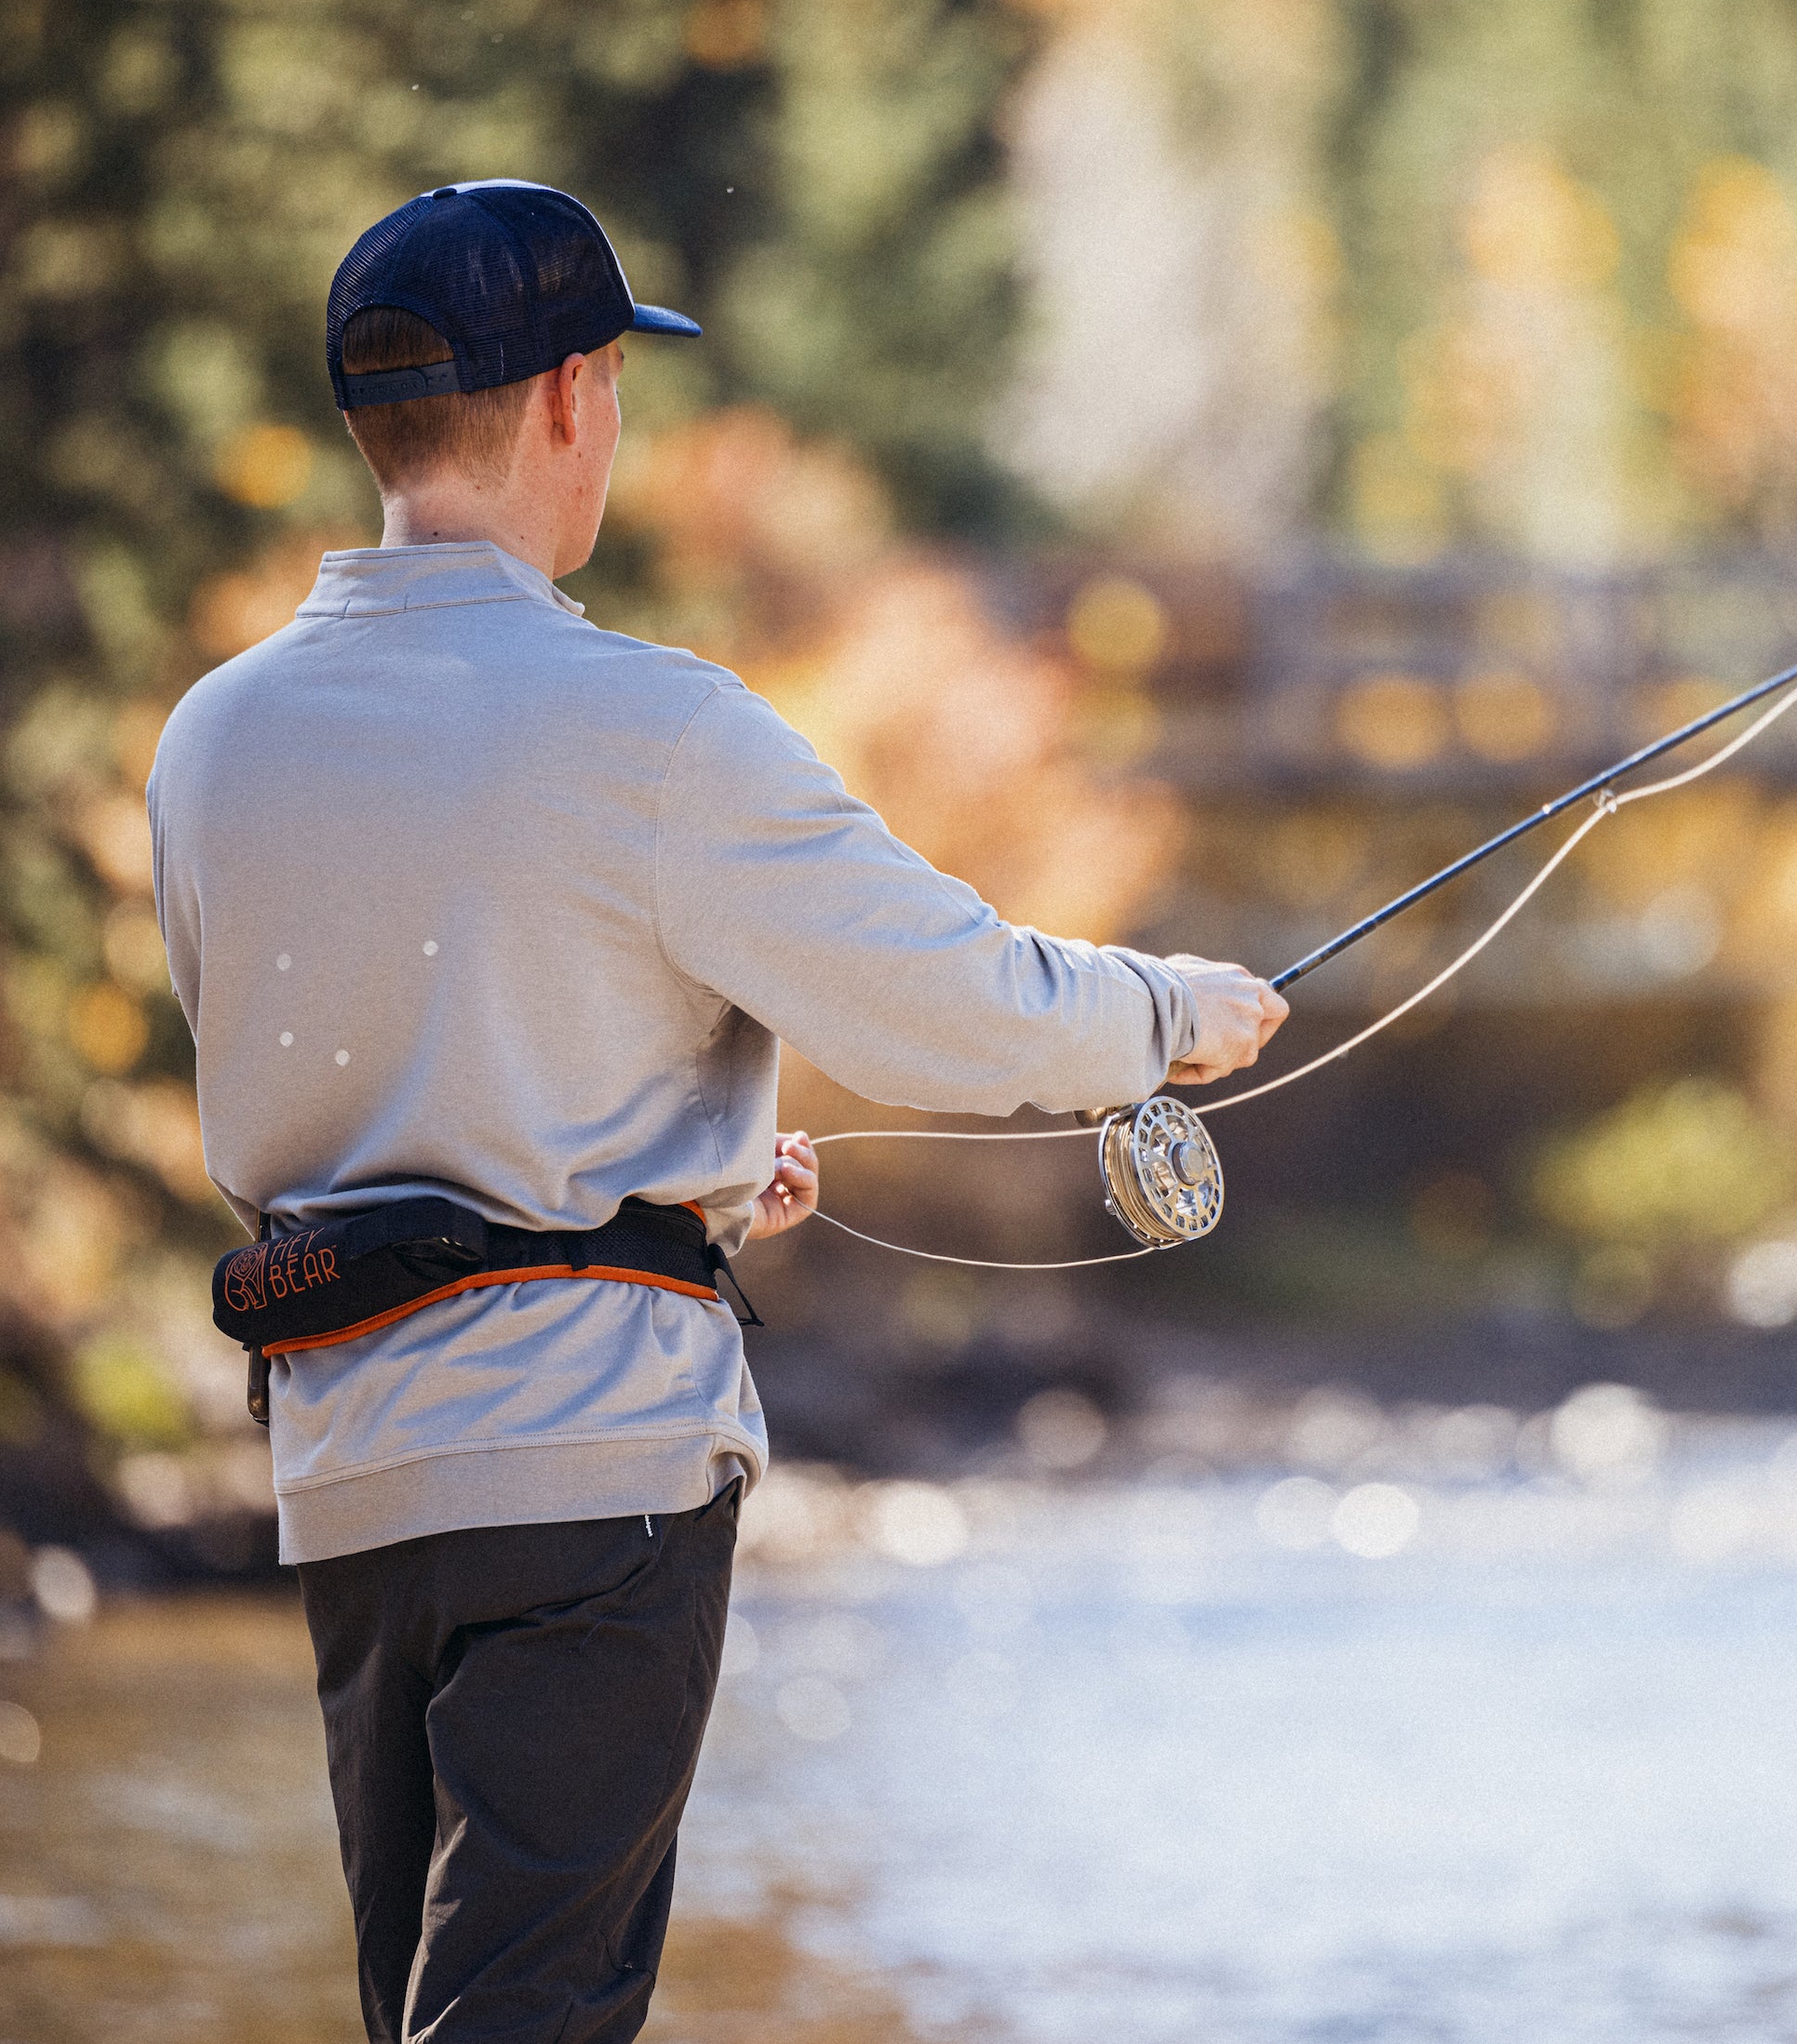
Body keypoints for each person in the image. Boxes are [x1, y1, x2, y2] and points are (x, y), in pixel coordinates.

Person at [147, 179, 1288, 2042]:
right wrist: (1165, 1011)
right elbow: (949, 996)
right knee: (525, 2016)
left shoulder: (213, 739)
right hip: (593, 1464)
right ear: (577, 401)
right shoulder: (655, 731)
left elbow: (348, 1068)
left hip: (349, 1472)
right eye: (613, 382)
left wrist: (670, 1166)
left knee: (433, 2009)